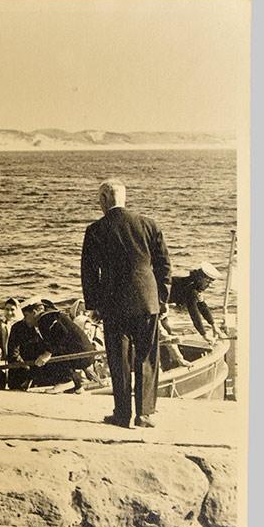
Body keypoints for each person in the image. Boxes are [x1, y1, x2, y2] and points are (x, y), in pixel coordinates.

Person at [81, 178, 171, 428]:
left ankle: (122, 415)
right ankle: (144, 414)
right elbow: (164, 265)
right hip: (147, 300)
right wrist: (161, 298)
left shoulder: (95, 230)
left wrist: (95, 305)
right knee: (146, 357)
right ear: (123, 198)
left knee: (118, 360)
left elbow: (89, 273)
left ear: (103, 200)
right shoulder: (149, 224)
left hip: (114, 303)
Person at [6, 296, 96, 392]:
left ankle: (66, 381)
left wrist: (47, 354)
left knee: (49, 353)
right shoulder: (52, 315)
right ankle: (78, 386)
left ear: (34, 312)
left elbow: (62, 334)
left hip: (80, 355)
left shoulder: (45, 319)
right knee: (49, 349)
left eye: (26, 316)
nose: (25, 320)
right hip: (85, 354)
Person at [165, 262, 225, 345]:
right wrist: (205, 336)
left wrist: (214, 325)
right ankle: (176, 357)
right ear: (200, 278)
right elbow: (194, 314)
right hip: (155, 303)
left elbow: (202, 306)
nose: (210, 285)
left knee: (167, 332)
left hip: (161, 304)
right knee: (165, 333)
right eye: (208, 281)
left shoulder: (193, 285)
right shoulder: (191, 290)